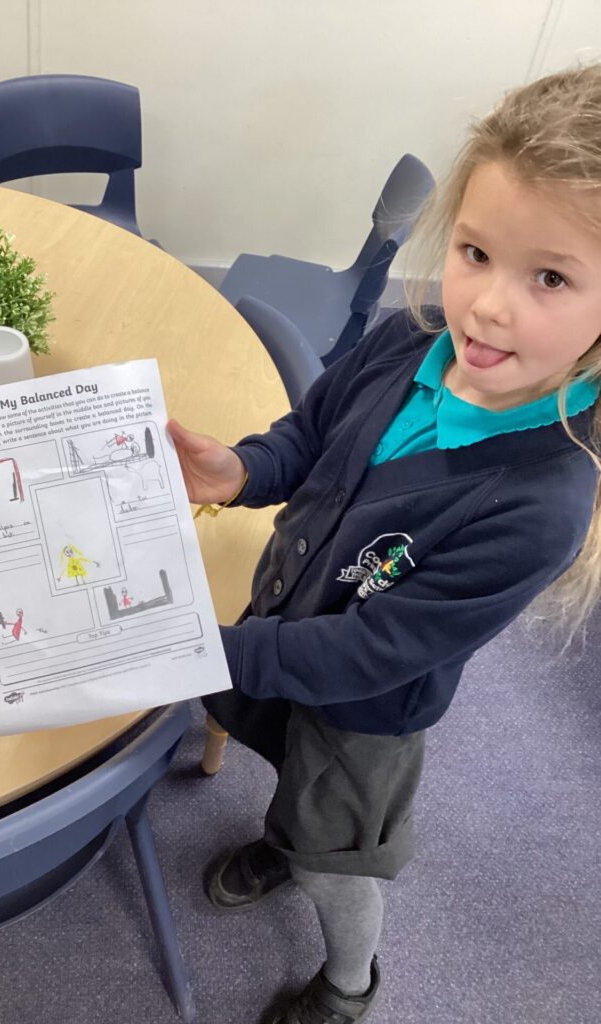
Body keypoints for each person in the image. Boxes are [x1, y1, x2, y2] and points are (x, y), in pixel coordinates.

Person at [167, 64, 601, 1024]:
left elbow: (371, 652)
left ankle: (348, 982)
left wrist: (201, 647)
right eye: (476, 252)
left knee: (338, 857)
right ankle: (284, 840)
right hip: (288, 622)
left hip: (366, 712)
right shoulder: (412, 341)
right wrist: (239, 470)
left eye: (550, 277)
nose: (487, 306)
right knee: (283, 769)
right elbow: (309, 434)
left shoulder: (543, 501)